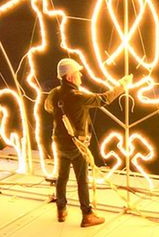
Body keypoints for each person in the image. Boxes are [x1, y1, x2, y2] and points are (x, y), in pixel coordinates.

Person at [44, 59, 129, 227]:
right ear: (69, 77)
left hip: (59, 143)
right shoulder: (78, 96)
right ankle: (87, 214)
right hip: (77, 145)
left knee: (62, 177)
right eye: (77, 73)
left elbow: (48, 108)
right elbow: (104, 99)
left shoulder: (54, 93)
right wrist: (122, 85)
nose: (81, 76)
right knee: (82, 180)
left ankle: (61, 210)